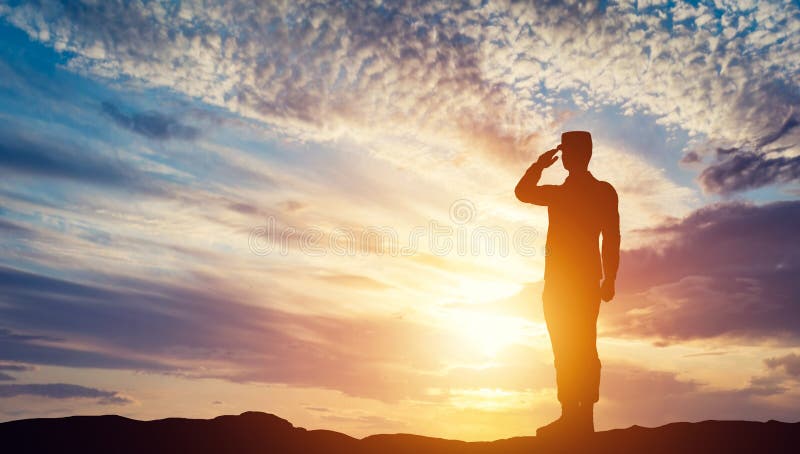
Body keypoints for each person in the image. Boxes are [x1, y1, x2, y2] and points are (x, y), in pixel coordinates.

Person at [514, 131, 620, 437]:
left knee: (578, 346)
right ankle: (572, 415)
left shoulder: (589, 192)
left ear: (574, 156)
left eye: (569, 152)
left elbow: (612, 236)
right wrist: (610, 275)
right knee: (569, 346)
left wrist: (539, 164)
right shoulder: (573, 192)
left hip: (575, 283)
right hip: (565, 283)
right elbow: (522, 193)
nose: (569, 158)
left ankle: (580, 417)